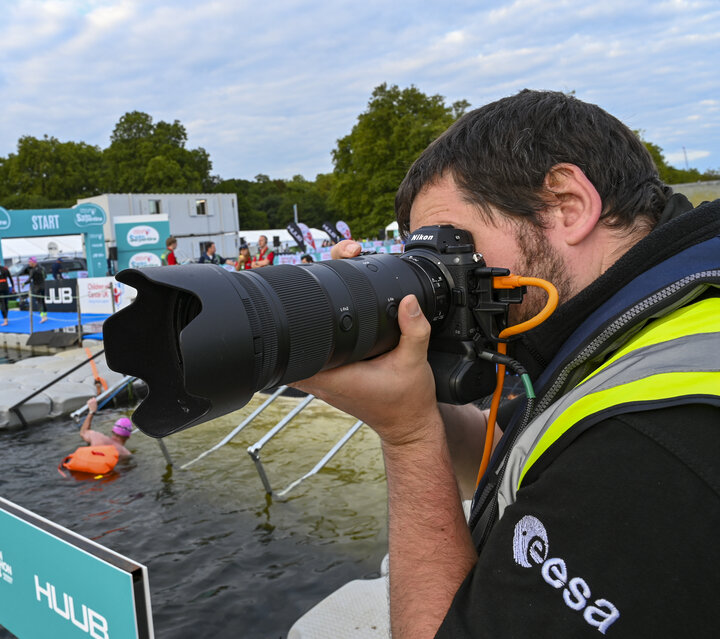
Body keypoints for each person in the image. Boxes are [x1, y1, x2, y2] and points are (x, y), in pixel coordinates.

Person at [293, 90, 720, 638]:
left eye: (454, 247)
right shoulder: (642, 319)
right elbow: (526, 461)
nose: (447, 282)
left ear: (567, 205)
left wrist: (408, 436)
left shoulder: (658, 440)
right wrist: (400, 388)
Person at [22, 257, 48, 323]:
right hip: (43, 286)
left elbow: (29, 279)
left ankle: (43, 317)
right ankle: (45, 316)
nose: (29, 263)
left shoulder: (33, 270)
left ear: (33, 262)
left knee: (39, 302)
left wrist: (24, 283)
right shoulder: (42, 268)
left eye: (29, 262)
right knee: (43, 301)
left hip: (37, 288)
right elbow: (45, 276)